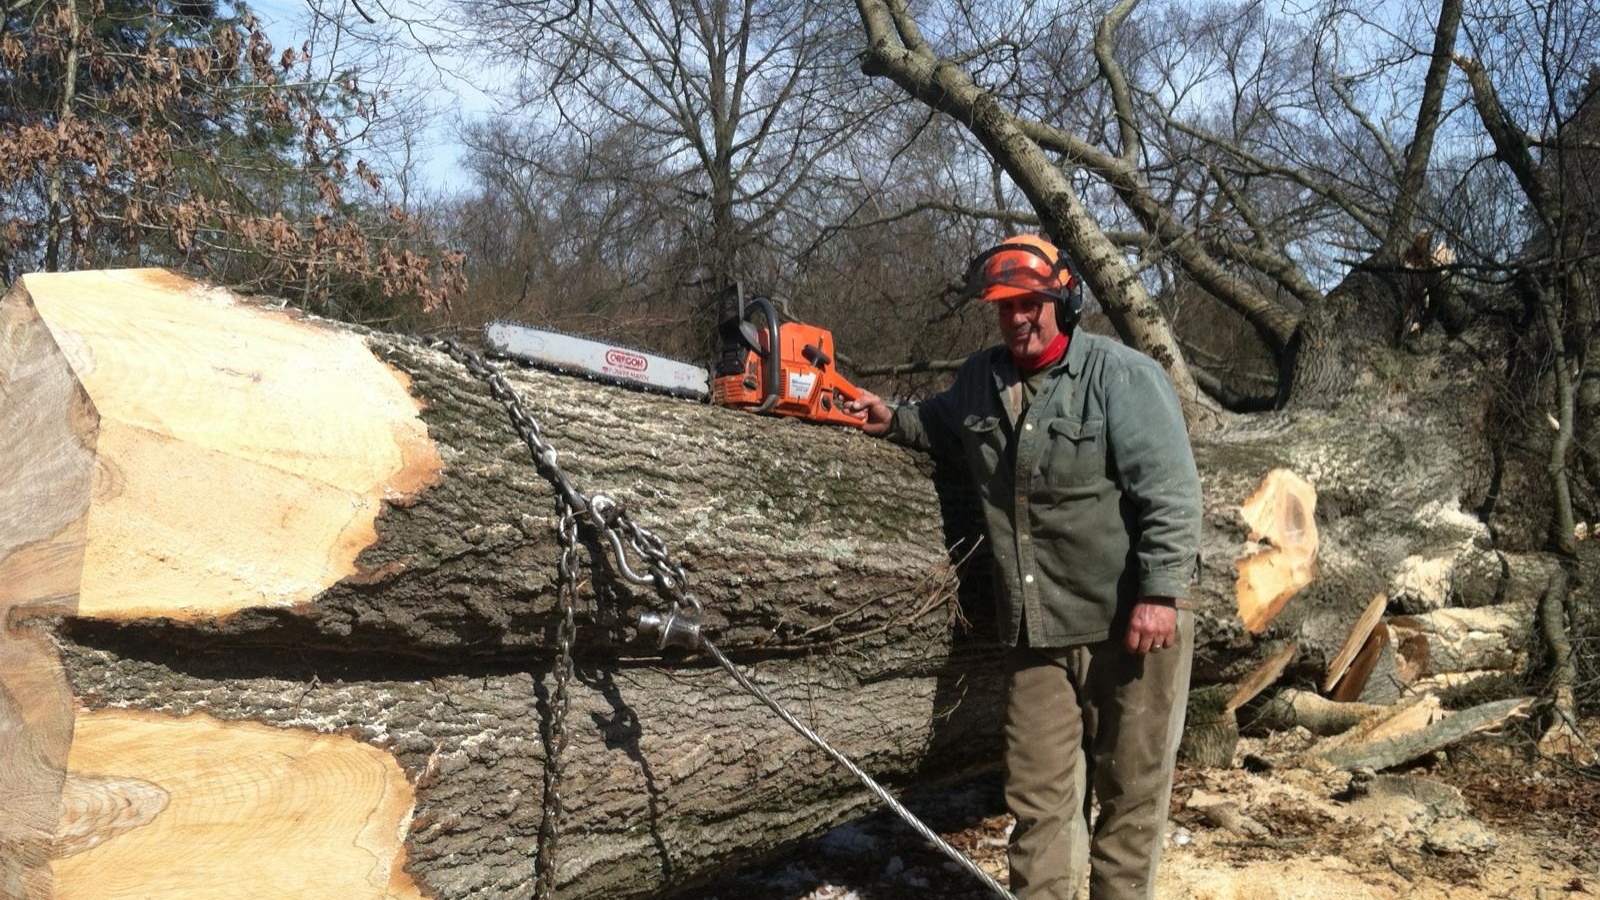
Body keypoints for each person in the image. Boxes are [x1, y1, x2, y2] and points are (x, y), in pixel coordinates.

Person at [844, 234, 1202, 900]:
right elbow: (937, 423)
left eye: (1030, 303)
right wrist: (891, 416)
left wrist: (1160, 593)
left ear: (1062, 300)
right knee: (1039, 805)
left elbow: (1173, 492)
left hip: (1130, 627)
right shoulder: (982, 378)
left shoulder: (1120, 376)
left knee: (1128, 802)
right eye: (1004, 307)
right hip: (1036, 635)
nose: (1017, 319)